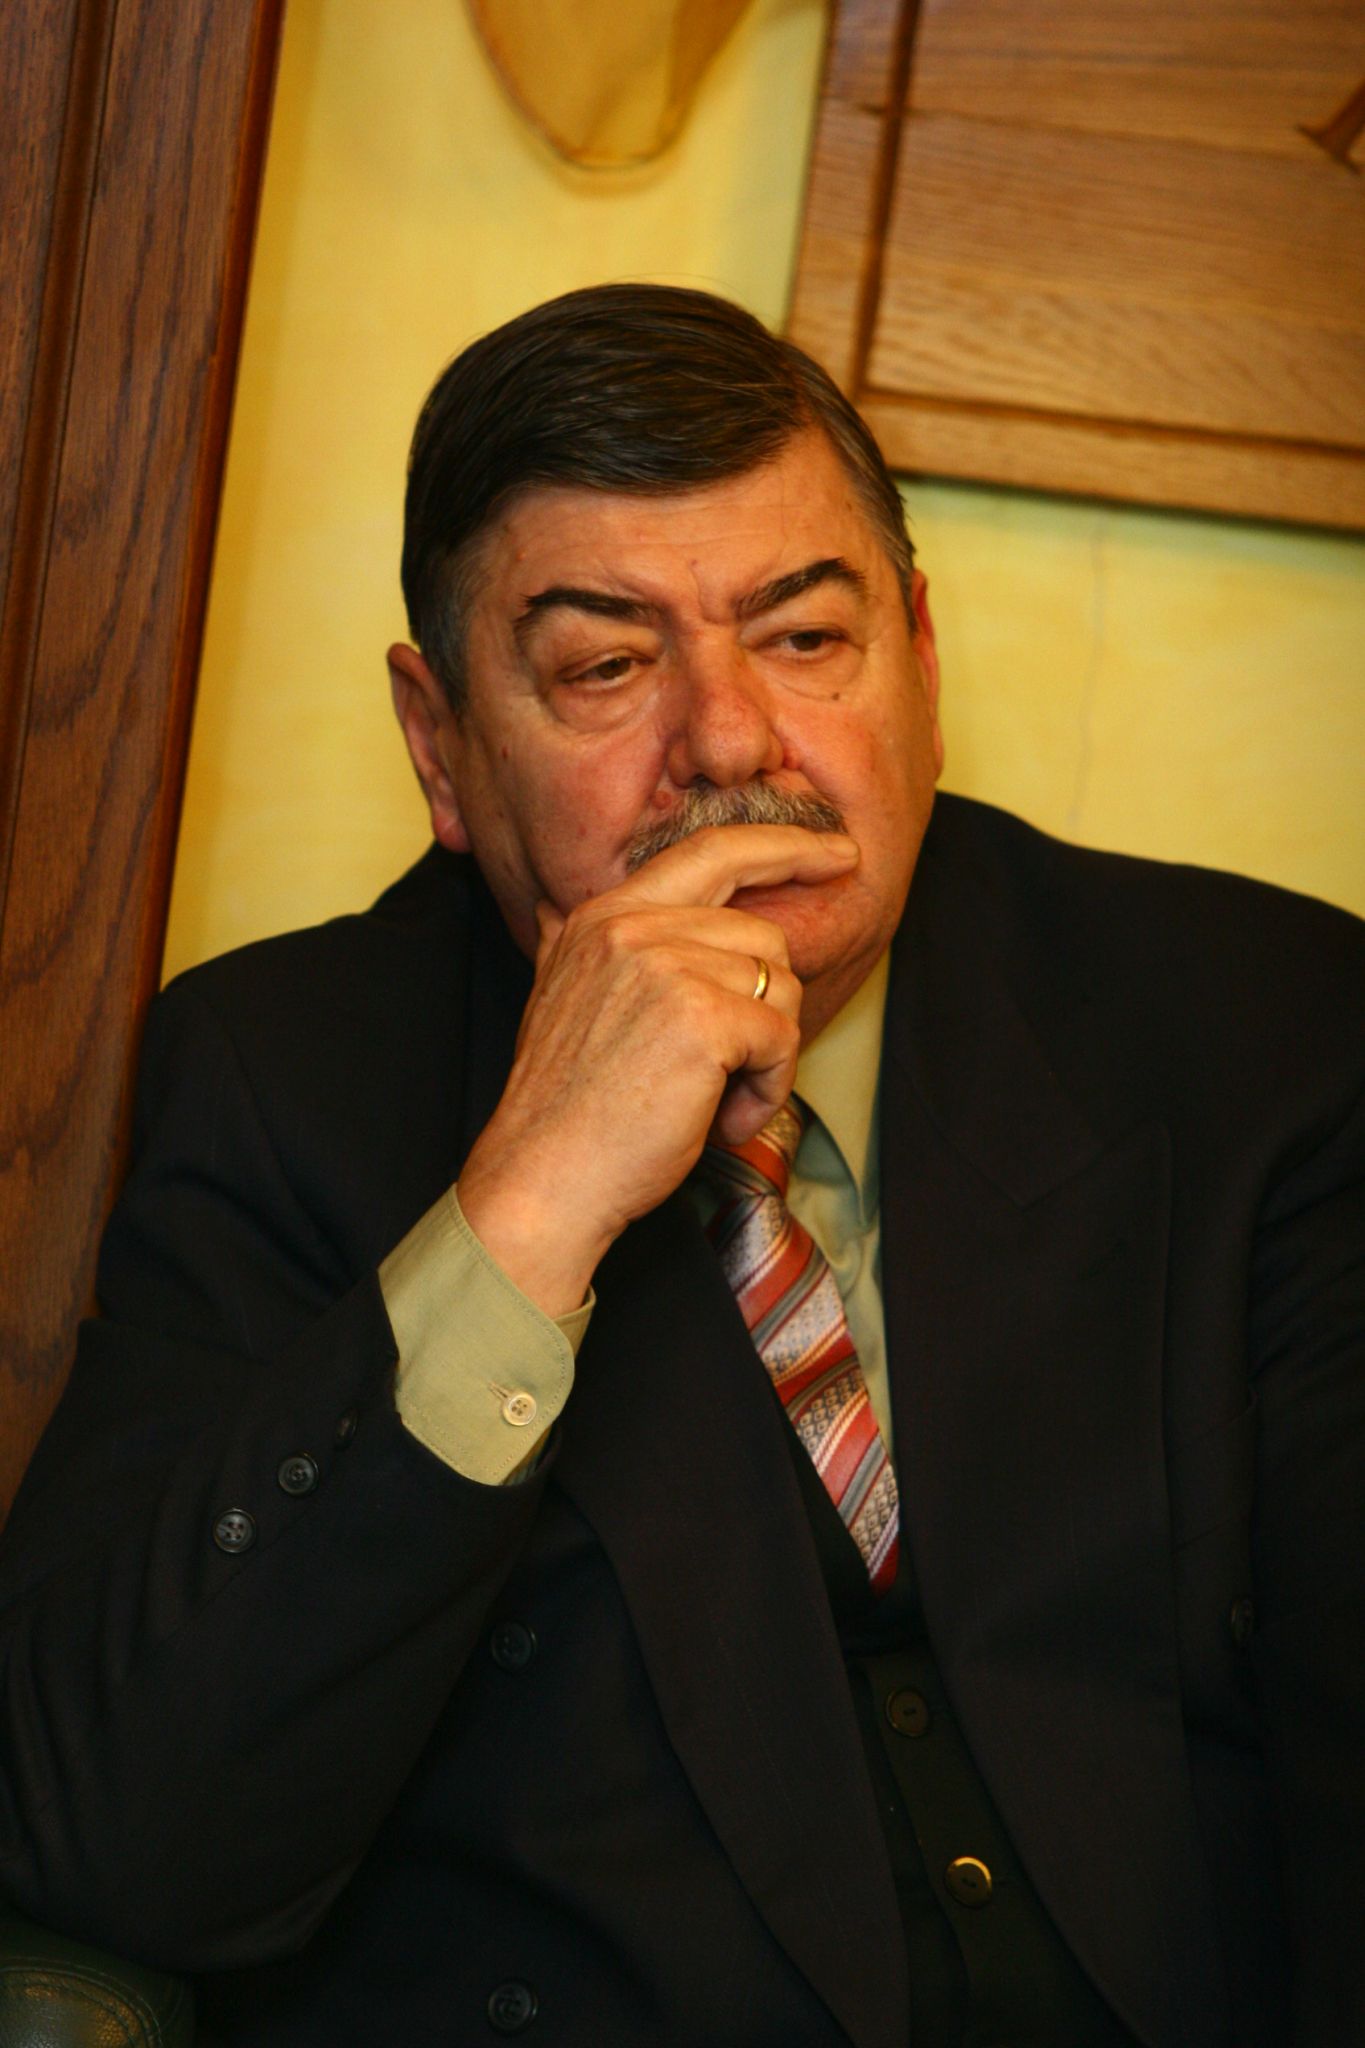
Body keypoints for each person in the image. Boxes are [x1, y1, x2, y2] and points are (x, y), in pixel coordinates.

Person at [0, 284, 1361, 2048]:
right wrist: (532, 1201)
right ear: (440, 744)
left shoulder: (1255, 1027)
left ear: (920, 657)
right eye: (604, 667)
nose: (727, 740)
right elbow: (112, 1841)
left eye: (805, 638)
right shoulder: (289, 1075)